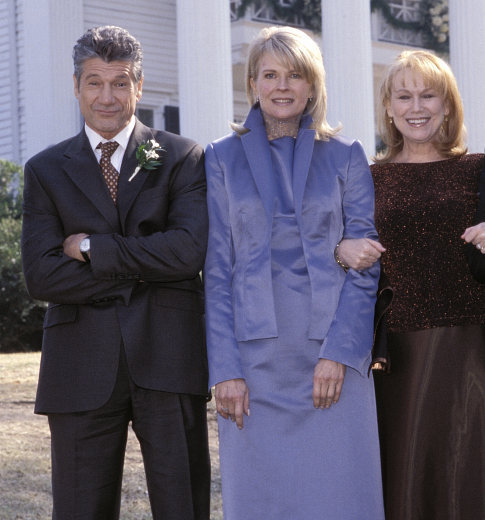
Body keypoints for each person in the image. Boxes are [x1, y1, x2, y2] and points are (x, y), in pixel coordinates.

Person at [21, 26, 210, 520]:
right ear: (77, 87)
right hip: (79, 364)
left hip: (168, 355)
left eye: (120, 83)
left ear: (139, 87)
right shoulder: (45, 169)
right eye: (95, 83)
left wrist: (90, 248)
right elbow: (42, 277)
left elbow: (188, 252)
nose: (107, 97)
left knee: (182, 506)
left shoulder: (182, 156)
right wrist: (147, 267)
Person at [204, 26, 384, 519]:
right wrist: (225, 370)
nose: (282, 86)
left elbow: (367, 266)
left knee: (341, 497)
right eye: (270, 75)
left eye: (295, 75)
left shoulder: (346, 156)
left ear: (312, 86)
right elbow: (218, 269)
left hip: (333, 360)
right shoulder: (219, 158)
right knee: (262, 501)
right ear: (253, 85)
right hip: (253, 366)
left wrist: (340, 353)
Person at [338, 50, 485, 519]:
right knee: (401, 466)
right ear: (388, 106)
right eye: (404, 96)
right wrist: (340, 250)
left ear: (448, 105)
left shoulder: (478, 169)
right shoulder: (366, 175)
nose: (416, 106)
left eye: (428, 95)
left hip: (466, 342)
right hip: (391, 348)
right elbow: (333, 239)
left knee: (462, 465)